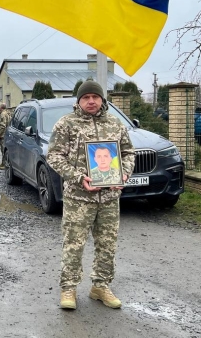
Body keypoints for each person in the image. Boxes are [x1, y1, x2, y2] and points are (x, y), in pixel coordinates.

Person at [47, 81, 135, 310]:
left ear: (102, 100)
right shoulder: (66, 124)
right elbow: (54, 156)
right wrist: (78, 177)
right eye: (86, 97)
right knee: (73, 245)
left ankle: (100, 286)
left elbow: (128, 153)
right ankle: (69, 288)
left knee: (107, 244)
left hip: (108, 198)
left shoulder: (115, 124)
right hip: (78, 198)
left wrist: (124, 174)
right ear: (78, 101)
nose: (91, 101)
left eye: (95, 97)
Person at [0, 103, 12, 170]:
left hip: (3, 134)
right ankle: (3, 163)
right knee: (3, 149)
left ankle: (5, 165)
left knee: (3, 150)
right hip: (7, 133)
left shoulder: (3, 114)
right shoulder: (7, 113)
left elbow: (2, 125)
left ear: (1, 108)